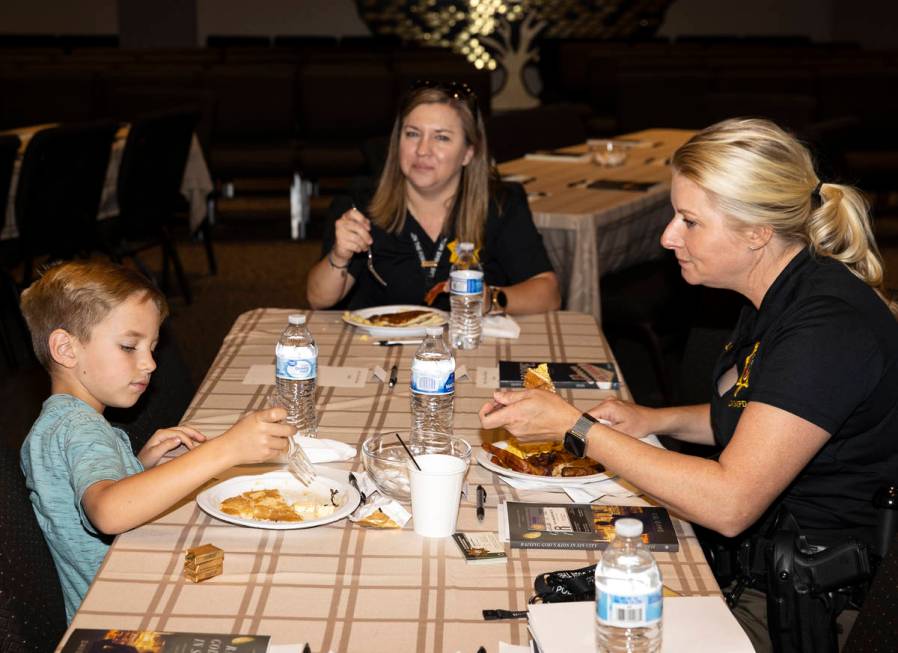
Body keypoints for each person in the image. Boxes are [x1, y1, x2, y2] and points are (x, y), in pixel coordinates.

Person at [478, 118, 898, 651]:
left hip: (807, 603)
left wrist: (575, 427)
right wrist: (656, 420)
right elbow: (764, 415)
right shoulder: (780, 291)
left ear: (756, 232)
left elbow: (730, 503)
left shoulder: (827, 328)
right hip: (763, 566)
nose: (667, 237)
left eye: (689, 221)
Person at [19, 260, 294, 622]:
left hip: (119, 595)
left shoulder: (63, 421)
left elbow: (78, 489)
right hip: (124, 617)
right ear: (66, 349)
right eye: (130, 347)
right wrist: (225, 449)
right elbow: (108, 511)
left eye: (152, 347)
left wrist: (137, 465)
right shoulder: (77, 427)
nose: (149, 363)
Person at [306, 80, 561, 314]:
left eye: (441, 137)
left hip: (470, 349)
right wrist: (339, 255)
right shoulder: (361, 204)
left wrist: (491, 299)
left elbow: (548, 293)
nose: (422, 150)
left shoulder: (500, 203)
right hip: (379, 352)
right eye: (413, 134)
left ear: (468, 153)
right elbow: (318, 299)